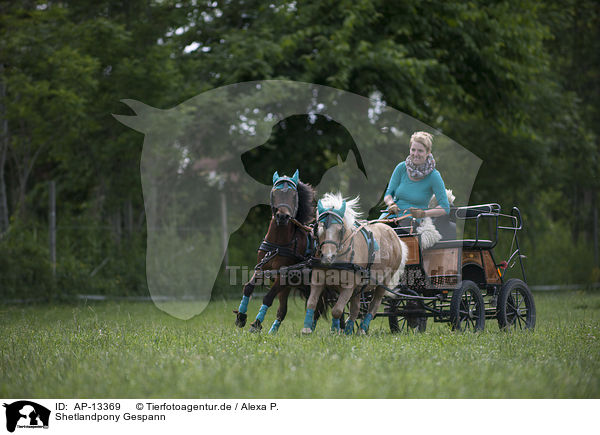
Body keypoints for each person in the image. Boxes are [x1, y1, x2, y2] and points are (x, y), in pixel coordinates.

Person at [380, 131, 450, 225]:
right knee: (372, 234)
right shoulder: (401, 167)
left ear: (428, 152)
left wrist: (423, 213)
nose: (415, 154)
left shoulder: (434, 176)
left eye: (420, 151)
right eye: (413, 150)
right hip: (390, 217)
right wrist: (391, 204)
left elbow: (445, 207)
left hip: (410, 223)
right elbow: (388, 194)